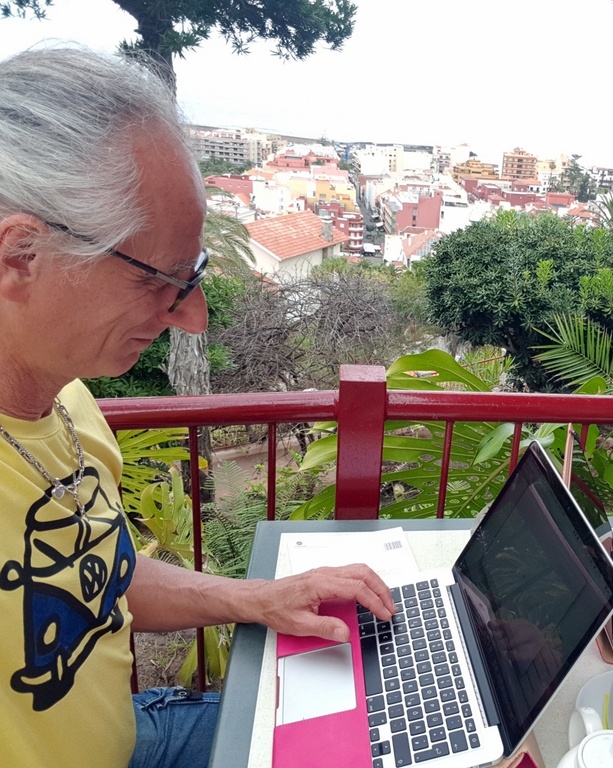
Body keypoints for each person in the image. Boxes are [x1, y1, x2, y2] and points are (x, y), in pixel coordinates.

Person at [0, 46, 397, 768]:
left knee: (372, 738)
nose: (192, 316)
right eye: (160, 279)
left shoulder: (70, 404)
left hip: (134, 739)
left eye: (196, 274)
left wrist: (258, 597)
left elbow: (106, 574)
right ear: (20, 255)